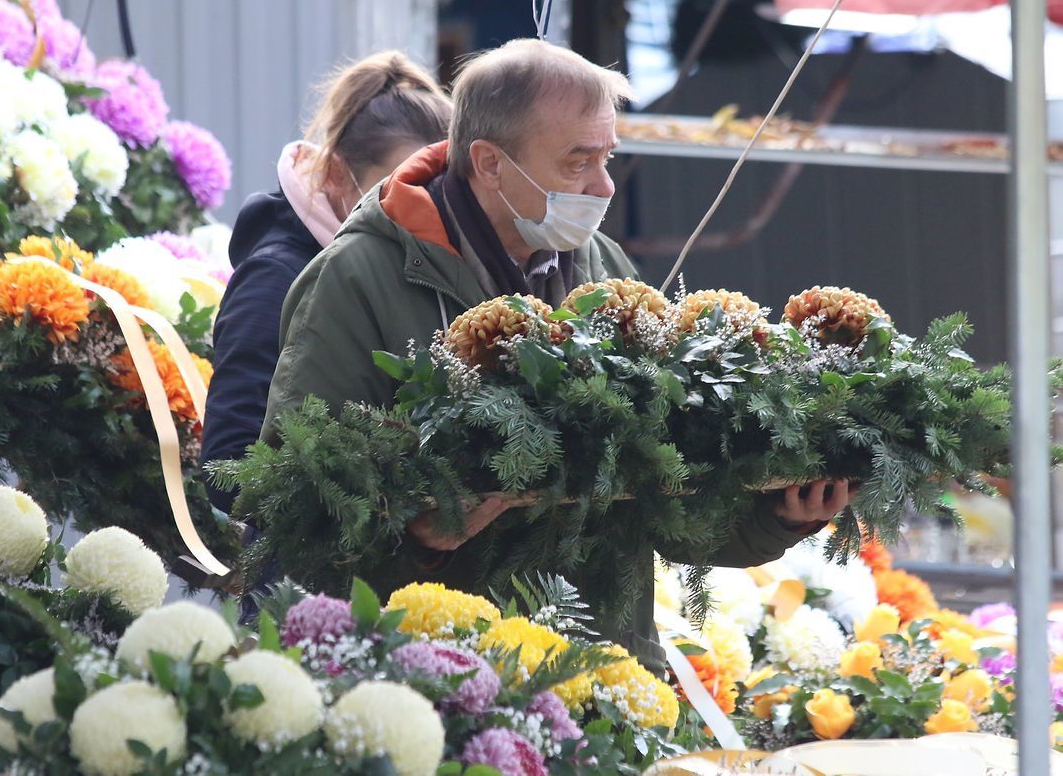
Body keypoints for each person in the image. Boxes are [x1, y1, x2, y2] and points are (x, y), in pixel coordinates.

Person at [260, 38, 849, 671]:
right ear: (488, 163)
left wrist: (778, 515)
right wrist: (419, 542)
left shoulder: (608, 272)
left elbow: (664, 502)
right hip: (440, 683)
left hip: (602, 673)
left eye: (607, 158)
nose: (603, 186)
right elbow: (290, 511)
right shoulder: (357, 277)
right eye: (578, 161)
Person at [201, 52, 452, 509]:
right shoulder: (274, 279)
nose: (425, 207)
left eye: (441, 188)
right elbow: (228, 466)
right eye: (401, 186)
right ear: (337, 174)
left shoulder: (421, 264)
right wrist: (390, 500)